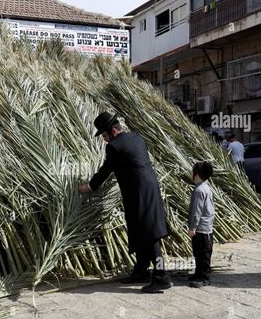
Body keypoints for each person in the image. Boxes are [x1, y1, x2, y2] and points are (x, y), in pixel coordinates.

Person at [78, 112, 173, 293]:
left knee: (151, 235)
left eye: (105, 136)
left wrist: (89, 187)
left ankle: (162, 277)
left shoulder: (114, 146)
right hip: (148, 187)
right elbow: (133, 161)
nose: (105, 140)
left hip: (138, 191)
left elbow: (106, 170)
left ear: (113, 131)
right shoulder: (136, 138)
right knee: (139, 230)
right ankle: (141, 270)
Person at [188, 162, 215, 288]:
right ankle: (198, 274)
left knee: (203, 254)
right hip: (205, 227)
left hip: (202, 228)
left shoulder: (199, 190)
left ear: (196, 174)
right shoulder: (205, 187)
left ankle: (204, 277)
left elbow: (196, 211)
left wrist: (192, 227)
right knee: (199, 253)